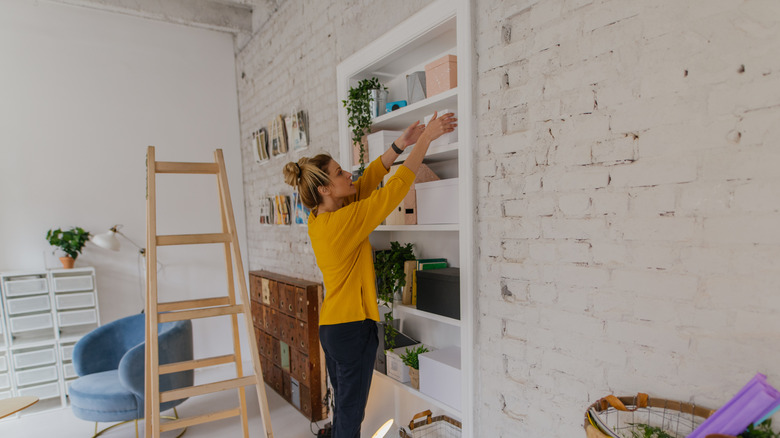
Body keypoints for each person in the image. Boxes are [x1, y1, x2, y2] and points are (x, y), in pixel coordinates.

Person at [283, 112, 457, 438]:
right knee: (350, 419)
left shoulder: (320, 218)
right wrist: (425, 139)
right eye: (339, 173)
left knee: (343, 413)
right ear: (324, 189)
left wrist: (399, 144)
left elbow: (363, 185)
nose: (348, 174)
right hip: (351, 331)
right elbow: (390, 192)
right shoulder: (343, 223)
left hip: (333, 329)